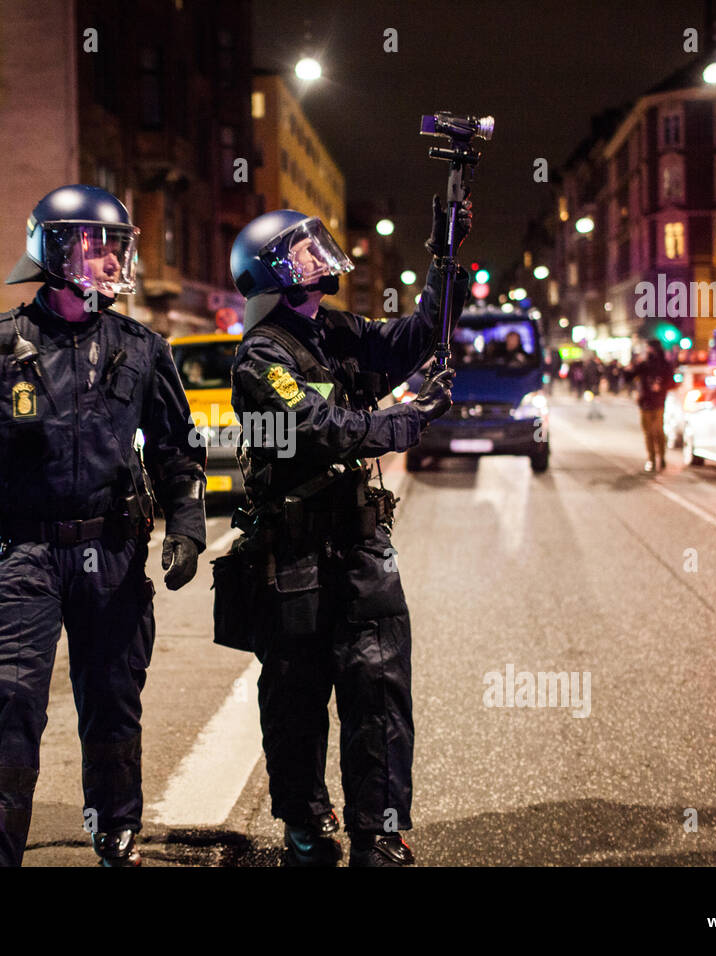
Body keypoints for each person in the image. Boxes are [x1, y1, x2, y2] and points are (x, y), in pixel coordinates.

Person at [0, 184, 206, 867]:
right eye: (97, 246)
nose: (113, 261)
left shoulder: (144, 349)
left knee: (113, 698)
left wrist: (187, 525)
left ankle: (114, 823)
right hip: (24, 551)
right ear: (54, 252)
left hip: (111, 550)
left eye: (118, 247)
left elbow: (176, 447)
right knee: (5, 697)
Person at [223, 196, 469, 867]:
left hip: (362, 545)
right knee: (297, 698)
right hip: (293, 552)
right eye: (301, 251)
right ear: (271, 272)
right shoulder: (261, 354)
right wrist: (404, 420)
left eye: (315, 246)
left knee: (379, 686)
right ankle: (305, 826)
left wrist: (446, 257)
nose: (317, 258)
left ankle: (378, 831)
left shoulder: (338, 330)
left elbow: (418, 335)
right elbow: (318, 425)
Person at [625, 338, 674, 472]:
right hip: (649, 402)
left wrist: (661, 386)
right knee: (652, 432)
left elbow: (671, 382)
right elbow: (629, 377)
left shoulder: (659, 364)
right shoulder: (647, 364)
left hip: (654, 402)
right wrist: (629, 369)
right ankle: (654, 459)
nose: (647, 350)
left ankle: (658, 458)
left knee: (655, 432)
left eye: (648, 348)